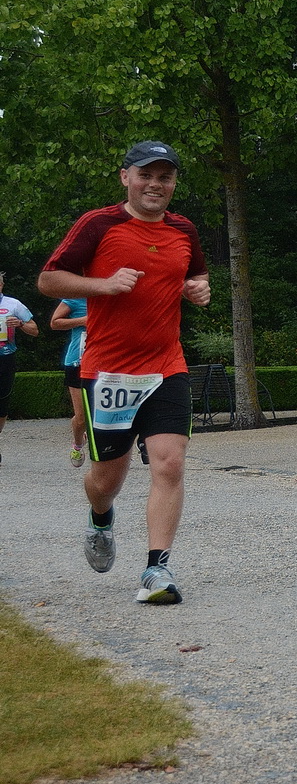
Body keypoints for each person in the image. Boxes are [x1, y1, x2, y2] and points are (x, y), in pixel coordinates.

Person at [38, 141, 211, 604]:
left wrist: (198, 289)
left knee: (170, 462)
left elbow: (196, 275)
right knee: (107, 480)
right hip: (110, 373)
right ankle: (100, 517)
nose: (155, 184)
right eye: (145, 175)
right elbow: (48, 280)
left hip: (166, 366)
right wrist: (103, 285)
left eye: (165, 177)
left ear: (174, 183)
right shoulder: (98, 224)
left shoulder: (184, 229)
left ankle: (157, 569)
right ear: (125, 177)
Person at [0, 269, 42, 467]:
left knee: (2, 405)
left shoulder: (13, 304)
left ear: (1, 285)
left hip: (5, 358)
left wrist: (20, 324)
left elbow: (35, 330)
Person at [52, 296, 90, 467]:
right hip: (77, 362)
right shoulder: (76, 299)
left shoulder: (110, 297)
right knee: (81, 417)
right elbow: (55, 322)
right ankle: (78, 444)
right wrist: (83, 320)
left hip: (105, 363)